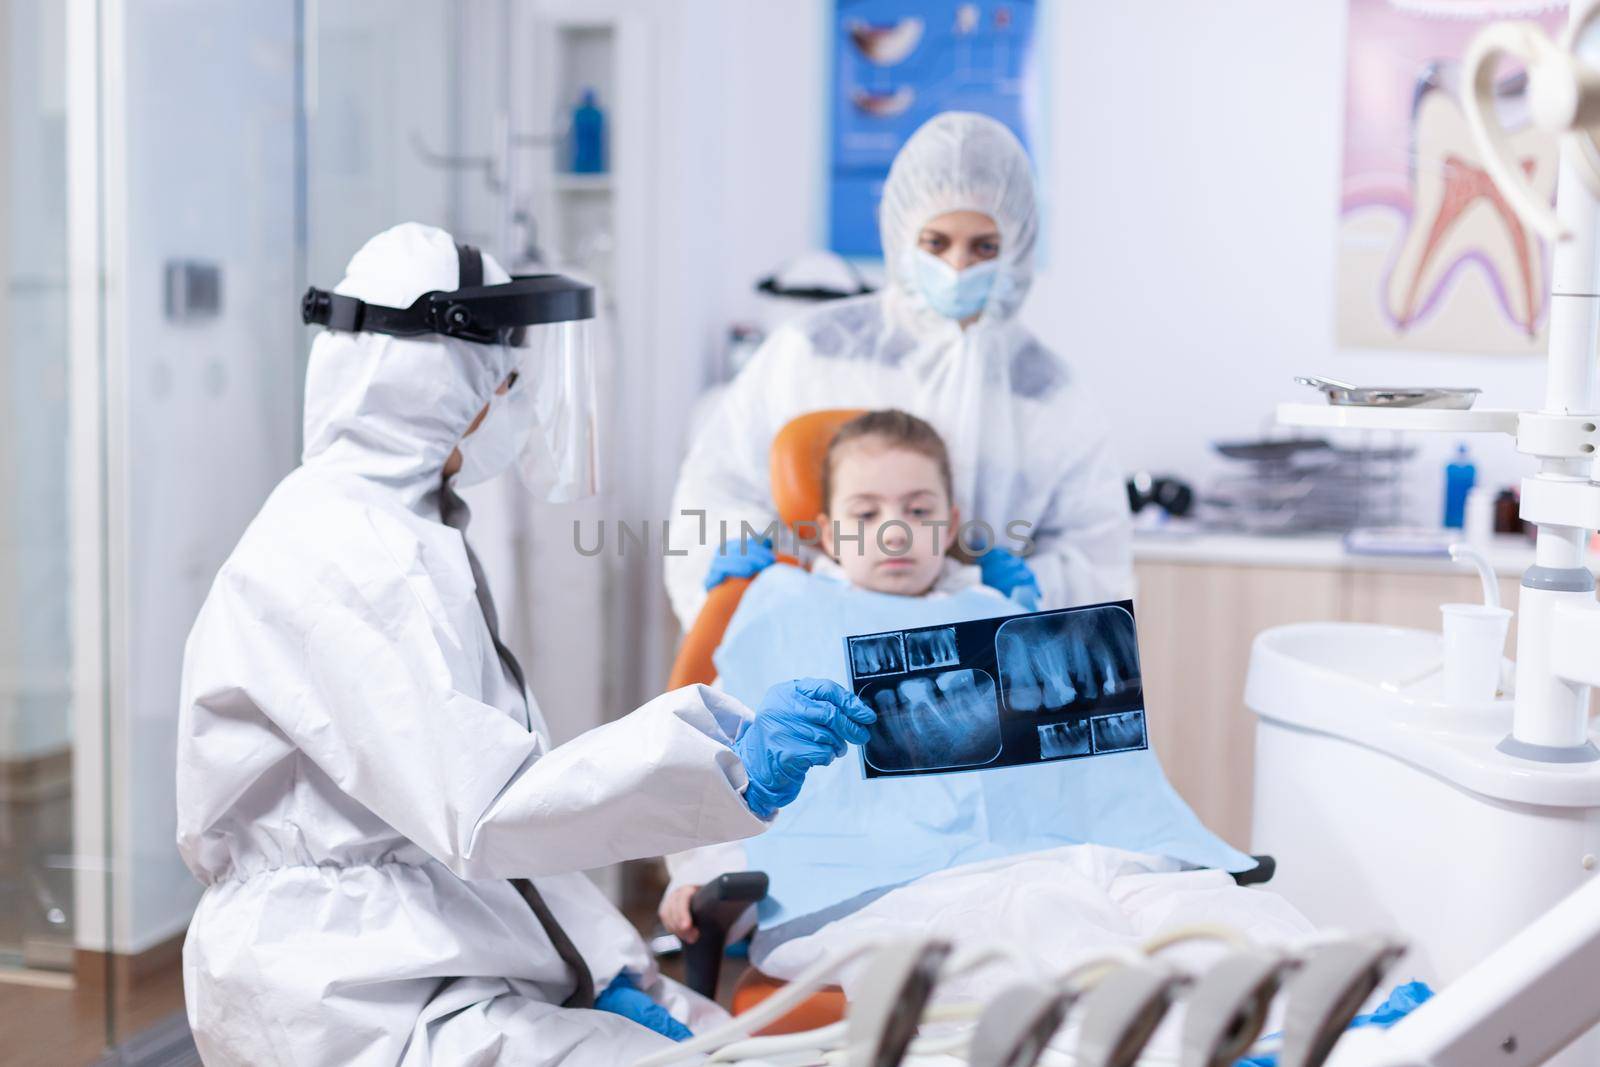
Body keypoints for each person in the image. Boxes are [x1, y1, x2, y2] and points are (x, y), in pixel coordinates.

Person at [174, 223, 874, 1067]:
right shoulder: (345, 556)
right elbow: (495, 810)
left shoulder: (413, 535)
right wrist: (729, 761)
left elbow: (495, 818)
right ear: (431, 382)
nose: (512, 404)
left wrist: (612, 966)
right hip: (346, 990)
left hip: (437, 951)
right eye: (504, 380)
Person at [656, 411, 1303, 1011]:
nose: (893, 529)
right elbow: (716, 762)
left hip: (1053, 853)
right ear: (825, 530)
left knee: (1204, 909)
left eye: (918, 508)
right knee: (1046, 924)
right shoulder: (782, 609)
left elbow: (1089, 782)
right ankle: (1152, 1036)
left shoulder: (992, 610)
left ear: (950, 521)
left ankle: (1328, 1025)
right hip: (873, 887)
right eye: (865, 510)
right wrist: (700, 872)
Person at [665, 111, 1132, 631]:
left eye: (984, 247)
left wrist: (1018, 594)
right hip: (815, 646)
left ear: (1017, 248)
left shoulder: (1049, 396)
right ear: (904, 234)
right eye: (937, 243)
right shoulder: (815, 352)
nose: (958, 267)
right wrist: (734, 561)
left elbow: (1097, 559)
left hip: (980, 662)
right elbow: (719, 486)